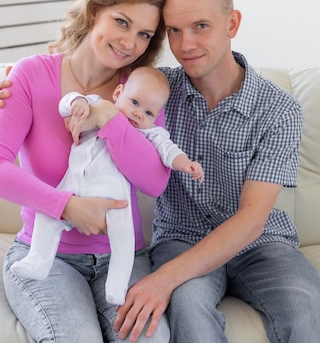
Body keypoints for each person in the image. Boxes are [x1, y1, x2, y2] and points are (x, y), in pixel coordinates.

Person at [0, 0, 320, 343]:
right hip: (178, 238)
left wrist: (163, 279)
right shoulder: (155, 89)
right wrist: (14, 86)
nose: (186, 43)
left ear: (232, 23)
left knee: (308, 316)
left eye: (201, 26)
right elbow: (82, 81)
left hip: (259, 243)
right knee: (188, 312)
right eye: (174, 30)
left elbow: (249, 218)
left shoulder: (277, 109)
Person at [0, 0, 173, 343]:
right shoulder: (31, 75)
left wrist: (110, 118)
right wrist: (65, 206)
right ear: (95, 9)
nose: (130, 42)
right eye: (122, 22)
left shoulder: (139, 91)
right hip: (47, 258)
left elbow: (155, 180)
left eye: (143, 34)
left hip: (124, 259)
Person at [12, 66, 204, 307]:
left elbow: (168, 151)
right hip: (71, 189)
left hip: (114, 202)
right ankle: (38, 260)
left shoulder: (150, 134)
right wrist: (77, 102)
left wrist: (186, 164)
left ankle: (116, 284)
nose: (138, 114)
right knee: (46, 217)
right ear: (118, 93)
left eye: (148, 112)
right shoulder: (97, 106)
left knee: (123, 239)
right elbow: (66, 103)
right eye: (134, 102)